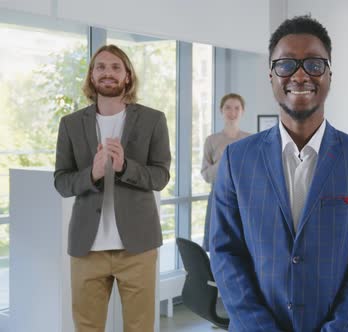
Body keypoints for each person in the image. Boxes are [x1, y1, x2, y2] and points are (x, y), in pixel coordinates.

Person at [209, 16, 348, 331]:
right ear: (271, 75)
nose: (301, 74)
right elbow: (226, 254)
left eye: (314, 65)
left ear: (330, 74)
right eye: (287, 64)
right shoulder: (236, 159)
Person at [54, 44, 171, 332]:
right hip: (86, 248)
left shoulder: (153, 119)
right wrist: (91, 174)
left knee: (140, 328)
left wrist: (125, 168)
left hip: (138, 249)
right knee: (87, 328)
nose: (108, 73)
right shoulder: (69, 124)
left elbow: (160, 176)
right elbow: (61, 181)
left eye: (116, 67)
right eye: (101, 67)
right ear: (92, 76)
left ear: (128, 76)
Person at [200, 93, 249, 251]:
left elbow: (254, 174)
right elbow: (206, 175)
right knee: (217, 244)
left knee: (242, 245)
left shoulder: (250, 140)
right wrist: (224, 160)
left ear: (243, 111)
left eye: (237, 108)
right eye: (228, 108)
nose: (232, 112)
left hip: (244, 198)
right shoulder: (211, 140)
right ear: (221, 111)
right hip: (217, 196)